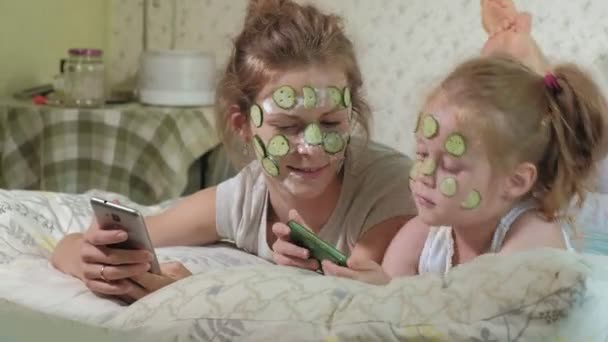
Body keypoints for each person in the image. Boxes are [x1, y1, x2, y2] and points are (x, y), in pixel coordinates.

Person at [50, 0, 416, 301]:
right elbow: (69, 245)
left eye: (333, 123)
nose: (312, 147)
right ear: (242, 125)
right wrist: (91, 261)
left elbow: (350, 291)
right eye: (287, 127)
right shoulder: (247, 196)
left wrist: (200, 292)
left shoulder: (392, 189)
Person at [322, 1, 608, 284]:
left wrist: (393, 294)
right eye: (421, 153)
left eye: (450, 166)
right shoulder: (423, 231)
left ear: (515, 181)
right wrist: (377, 290)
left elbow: (480, 318)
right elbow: (393, 305)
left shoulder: (533, 236)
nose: (423, 174)